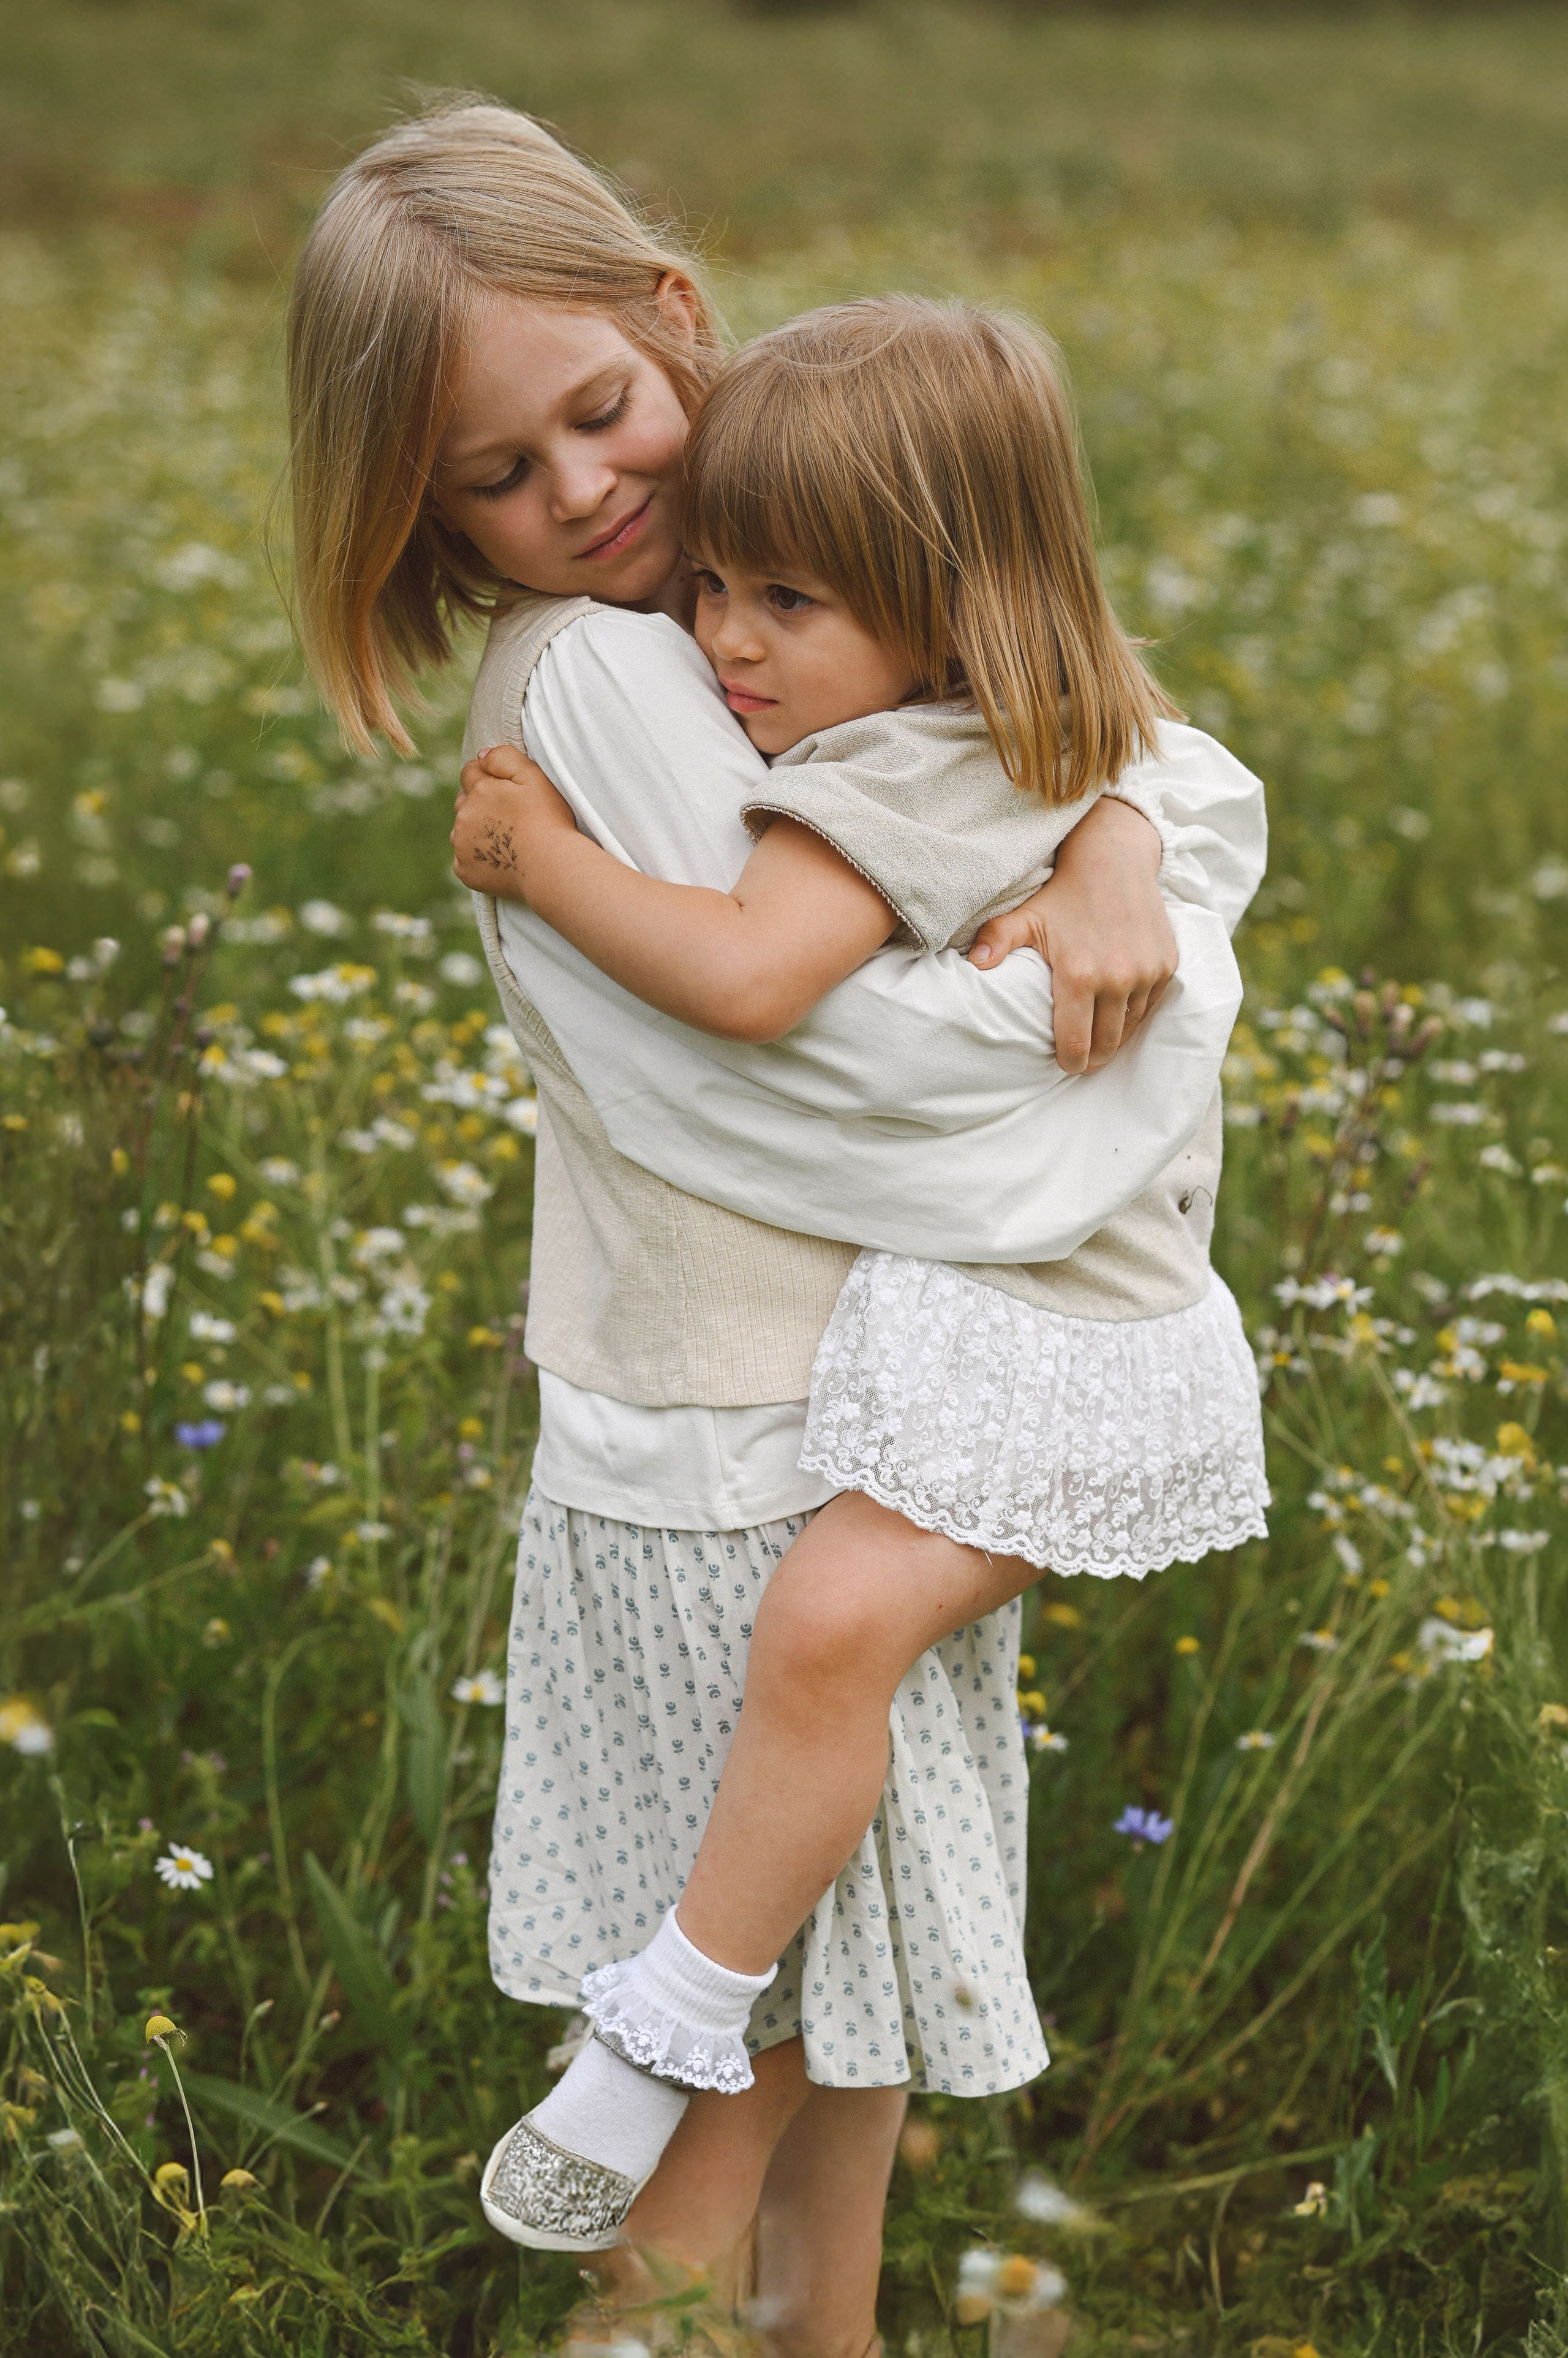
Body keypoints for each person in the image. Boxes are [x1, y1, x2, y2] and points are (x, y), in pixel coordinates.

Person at [286, 99, 1265, 2355]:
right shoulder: (643, 678)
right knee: (748, 2096)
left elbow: (1104, 742)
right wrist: (1146, 969)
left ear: (679, 324)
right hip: (748, 1453)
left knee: (851, 2064)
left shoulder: (820, 603)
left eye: (605, 417)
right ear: (416, 509)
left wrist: (1115, 831)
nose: (590, 505)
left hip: (841, 1422)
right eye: (492, 481)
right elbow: (926, 1076)